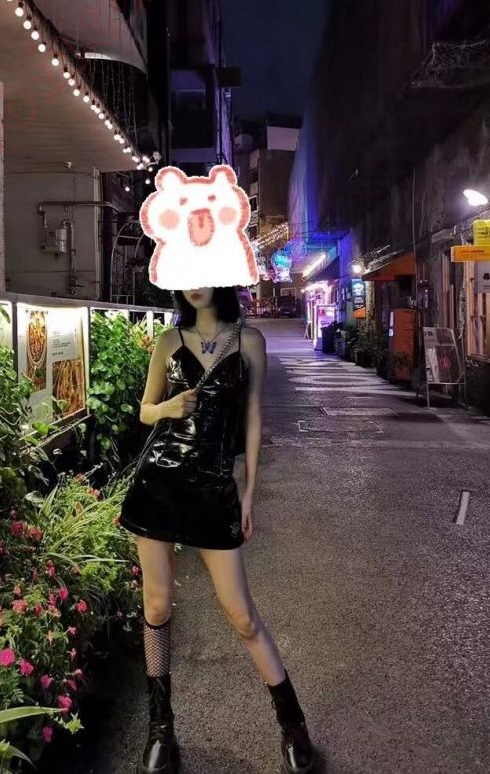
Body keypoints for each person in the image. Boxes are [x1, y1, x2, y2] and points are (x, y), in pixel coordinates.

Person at [119, 286, 319, 774]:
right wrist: (168, 408)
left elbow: (253, 419)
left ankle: (292, 725)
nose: (196, 284)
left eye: (205, 274)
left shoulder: (248, 341)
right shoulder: (169, 341)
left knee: (242, 615)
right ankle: (161, 730)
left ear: (222, 279)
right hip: (159, 483)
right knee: (156, 607)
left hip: (214, 488)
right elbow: (146, 410)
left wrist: (248, 493)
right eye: (188, 276)